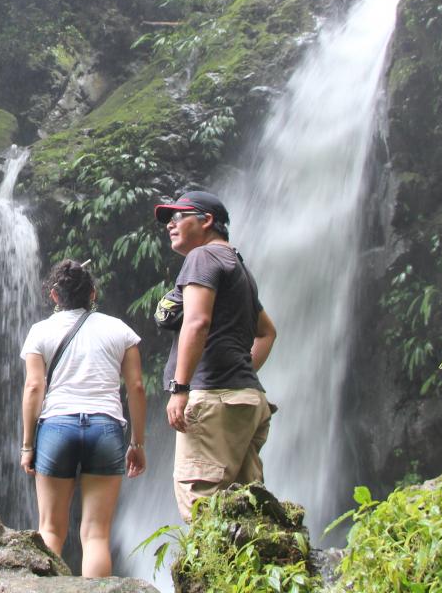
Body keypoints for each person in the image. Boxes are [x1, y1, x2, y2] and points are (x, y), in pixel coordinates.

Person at [19, 259, 147, 578]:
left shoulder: (40, 331)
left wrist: (26, 445)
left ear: (54, 296)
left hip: (57, 426)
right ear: (92, 293)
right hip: (106, 427)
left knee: (50, 530)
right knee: (96, 534)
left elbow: (34, 387)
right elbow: (136, 387)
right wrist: (137, 443)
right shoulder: (120, 329)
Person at [155, 190, 277, 521]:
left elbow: (197, 321)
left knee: (202, 507)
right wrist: (241, 372)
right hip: (247, 401)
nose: (170, 225)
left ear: (207, 220)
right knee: (247, 512)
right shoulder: (239, 268)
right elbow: (267, 333)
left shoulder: (202, 258)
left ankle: (210, 574)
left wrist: (180, 388)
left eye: (178, 217)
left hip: (212, 399)